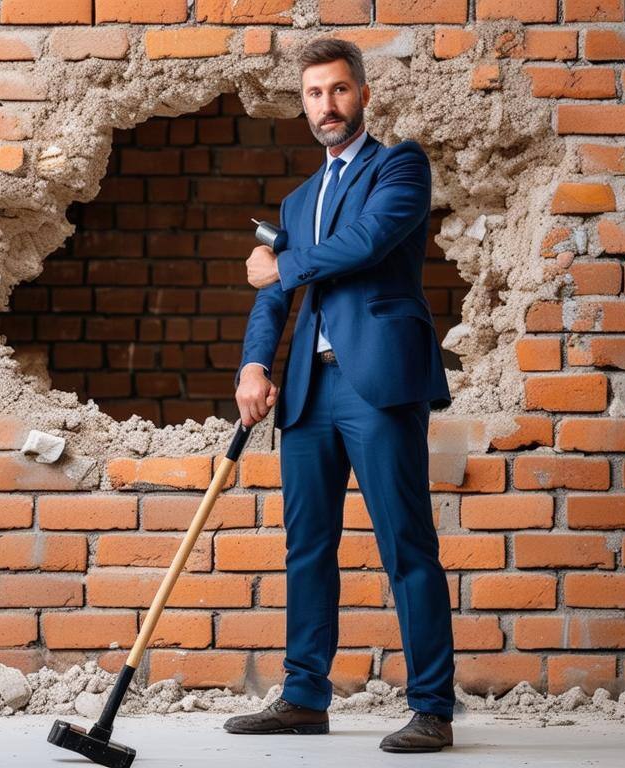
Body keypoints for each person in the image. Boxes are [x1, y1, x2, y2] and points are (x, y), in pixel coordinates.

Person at [224, 37, 456, 754]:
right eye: (315, 94)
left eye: (339, 90)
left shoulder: (400, 166)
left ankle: (432, 708)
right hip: (308, 390)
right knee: (308, 546)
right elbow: (274, 300)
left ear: (363, 94)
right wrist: (255, 367)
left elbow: (364, 244)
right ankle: (303, 697)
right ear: (304, 105)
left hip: (377, 382)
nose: (328, 105)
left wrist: (281, 263)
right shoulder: (297, 198)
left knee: (406, 544)